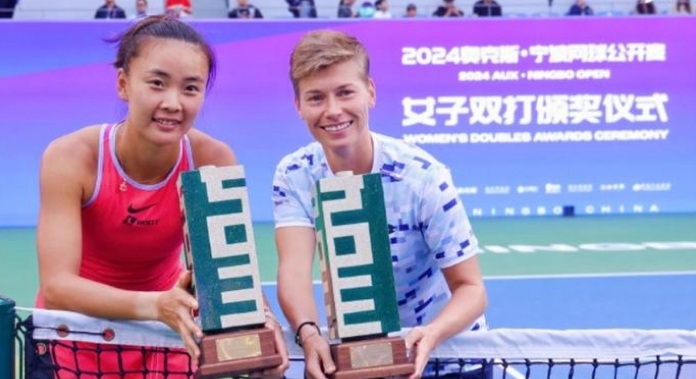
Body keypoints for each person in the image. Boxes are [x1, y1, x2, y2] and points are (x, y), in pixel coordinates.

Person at [36, 14, 288, 379]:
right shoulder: (71, 157)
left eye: (190, 88)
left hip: (168, 337)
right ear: (123, 84)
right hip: (74, 340)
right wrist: (156, 304)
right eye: (157, 83)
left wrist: (264, 323)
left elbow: (229, 271)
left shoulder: (212, 160)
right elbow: (58, 287)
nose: (173, 103)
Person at [272, 30, 487, 379]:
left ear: (370, 92)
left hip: (450, 361)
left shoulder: (422, 176)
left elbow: (471, 289)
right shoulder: (294, 173)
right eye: (316, 98)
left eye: (345, 92)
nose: (333, 110)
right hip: (362, 360)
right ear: (298, 106)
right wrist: (308, 333)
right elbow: (294, 270)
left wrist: (431, 334)